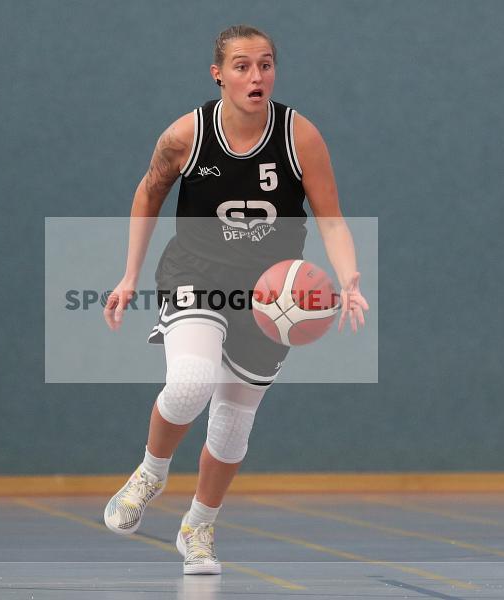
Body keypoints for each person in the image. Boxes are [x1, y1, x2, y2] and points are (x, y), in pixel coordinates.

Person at [102, 25, 369, 575]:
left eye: (266, 65)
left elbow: (332, 217)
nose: (256, 76)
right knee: (191, 382)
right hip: (195, 275)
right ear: (217, 74)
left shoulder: (300, 135)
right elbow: (146, 193)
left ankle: (198, 526)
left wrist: (350, 279)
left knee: (233, 422)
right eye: (243, 66)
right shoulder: (186, 135)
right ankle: (151, 472)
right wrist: (129, 274)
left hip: (271, 295)